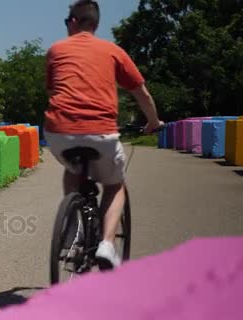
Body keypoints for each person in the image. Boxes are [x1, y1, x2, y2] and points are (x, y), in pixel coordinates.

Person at [44, 0, 163, 268]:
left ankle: (73, 232)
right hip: (101, 132)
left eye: (66, 22)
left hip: (59, 132)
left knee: (72, 168)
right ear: (95, 24)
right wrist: (153, 121)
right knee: (114, 184)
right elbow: (141, 93)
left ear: (73, 22)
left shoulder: (55, 50)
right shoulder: (113, 51)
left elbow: (53, 92)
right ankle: (107, 245)